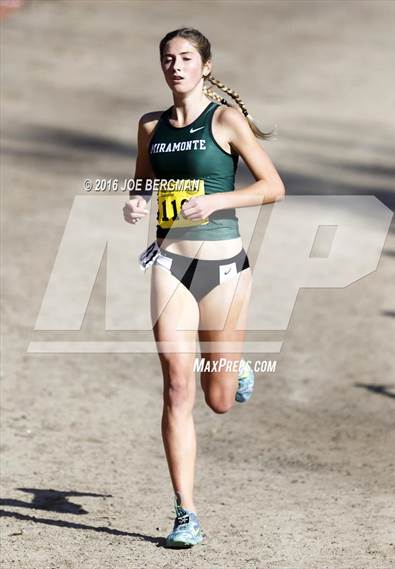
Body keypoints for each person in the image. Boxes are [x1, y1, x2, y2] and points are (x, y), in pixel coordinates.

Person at [123, 27, 285, 548]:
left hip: (225, 270)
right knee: (176, 386)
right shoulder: (151, 125)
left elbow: (272, 187)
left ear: (205, 67)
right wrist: (137, 202)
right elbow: (144, 182)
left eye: (186, 58)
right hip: (170, 264)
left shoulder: (225, 121)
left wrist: (216, 202)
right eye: (168, 59)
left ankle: (233, 367)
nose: (176, 66)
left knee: (218, 399)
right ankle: (185, 512)